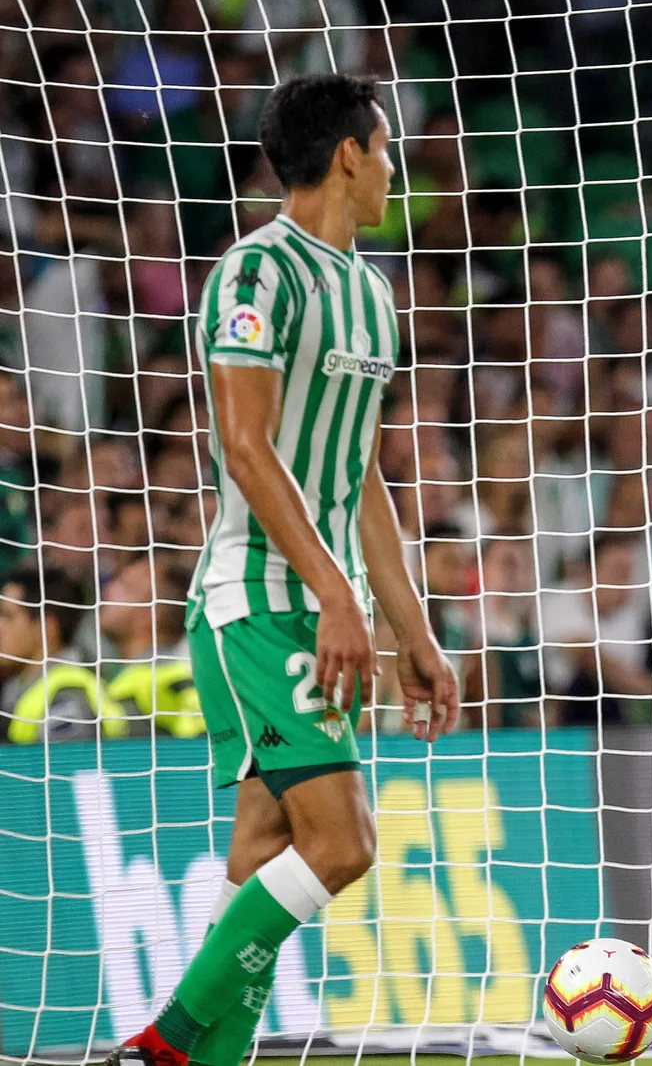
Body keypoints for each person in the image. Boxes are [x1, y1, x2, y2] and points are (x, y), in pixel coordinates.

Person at [107, 75, 459, 1066]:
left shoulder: (372, 291)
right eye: (386, 148)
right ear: (348, 154)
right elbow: (246, 449)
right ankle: (165, 1044)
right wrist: (340, 596)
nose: (395, 168)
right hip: (257, 600)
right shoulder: (256, 275)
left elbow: (364, 478)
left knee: (262, 859)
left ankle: (206, 1060)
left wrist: (414, 628)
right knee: (343, 843)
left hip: (324, 607)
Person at [0, 565, 124, 743]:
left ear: (46, 628)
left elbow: (68, 769)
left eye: (8, 616)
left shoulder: (68, 696)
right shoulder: (21, 688)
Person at [100, 558, 203, 738]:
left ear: (148, 615)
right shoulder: (125, 679)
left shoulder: (167, 683)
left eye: (126, 587)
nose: (108, 590)